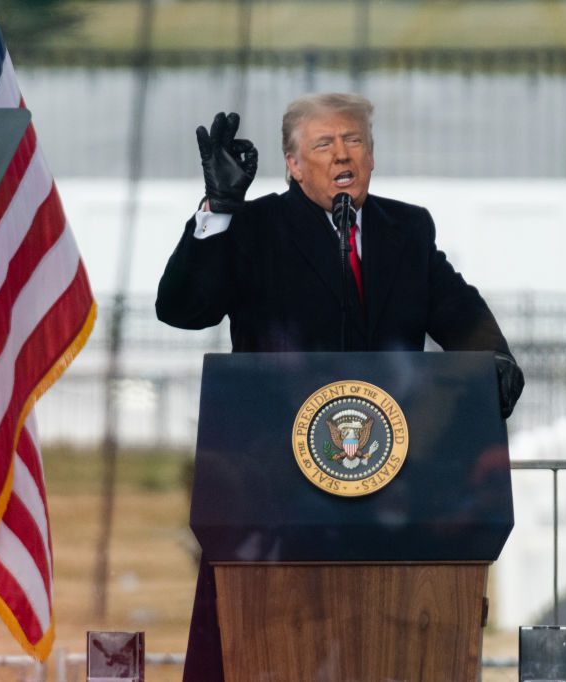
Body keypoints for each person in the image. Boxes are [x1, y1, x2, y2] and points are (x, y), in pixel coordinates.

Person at [155, 93, 524, 681]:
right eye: (323, 144)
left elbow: (456, 308)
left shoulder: (406, 229)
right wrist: (219, 209)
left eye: (353, 140)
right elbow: (182, 308)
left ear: (372, 156)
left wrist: (493, 360)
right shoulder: (254, 229)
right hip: (275, 493)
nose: (341, 153)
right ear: (293, 165)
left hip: (394, 487)